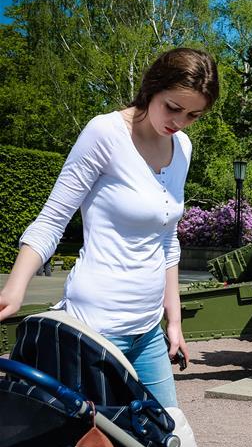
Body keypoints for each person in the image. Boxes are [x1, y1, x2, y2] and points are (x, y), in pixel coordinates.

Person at [0, 48, 219, 408]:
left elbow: (167, 240)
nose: (179, 121)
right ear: (151, 89)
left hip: (148, 330)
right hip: (96, 327)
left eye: (194, 114)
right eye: (172, 107)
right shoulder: (105, 133)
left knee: (167, 443)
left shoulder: (183, 146)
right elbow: (52, 219)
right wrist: (15, 287)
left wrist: (174, 322)